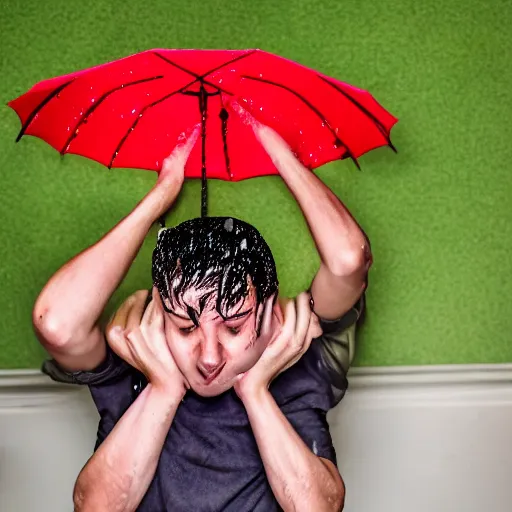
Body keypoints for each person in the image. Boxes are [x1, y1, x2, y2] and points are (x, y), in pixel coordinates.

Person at [33, 106, 372, 512]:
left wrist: (282, 156)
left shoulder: (297, 347)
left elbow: (349, 260)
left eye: (233, 328)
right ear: (159, 314)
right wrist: (159, 200)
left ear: (270, 310)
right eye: (184, 328)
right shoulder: (136, 354)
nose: (209, 357)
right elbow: (55, 323)